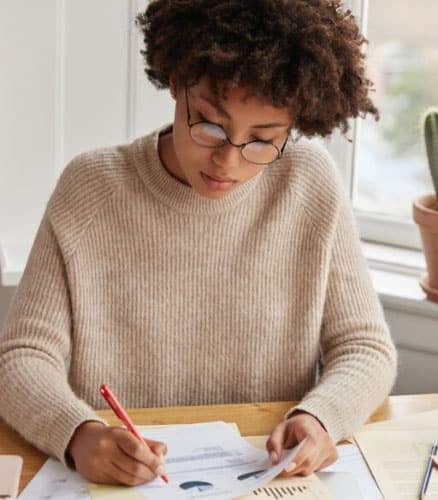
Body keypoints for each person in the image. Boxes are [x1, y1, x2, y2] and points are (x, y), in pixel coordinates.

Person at [0, 0, 397, 486]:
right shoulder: (91, 189)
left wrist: (321, 417)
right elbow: (21, 357)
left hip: (267, 482)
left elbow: (365, 347)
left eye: (262, 139)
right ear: (177, 80)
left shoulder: (308, 183)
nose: (228, 161)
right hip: (126, 484)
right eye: (209, 123)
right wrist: (78, 433)